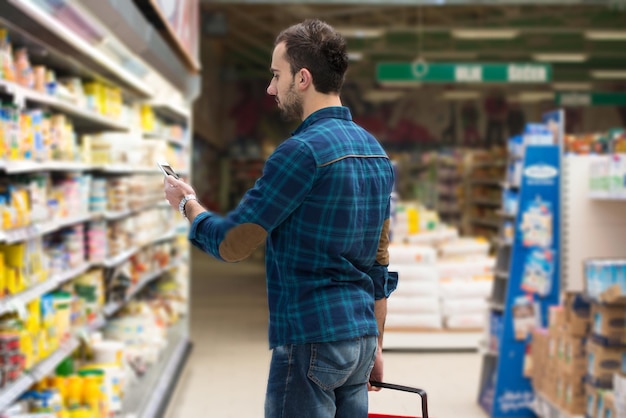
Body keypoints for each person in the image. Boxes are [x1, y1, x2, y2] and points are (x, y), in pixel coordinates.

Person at [163, 19, 397, 418]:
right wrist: (376, 342)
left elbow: (233, 243)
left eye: (276, 75)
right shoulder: (376, 152)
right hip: (358, 340)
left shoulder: (301, 152)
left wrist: (188, 205)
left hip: (312, 338)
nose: (270, 88)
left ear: (302, 78)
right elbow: (379, 260)